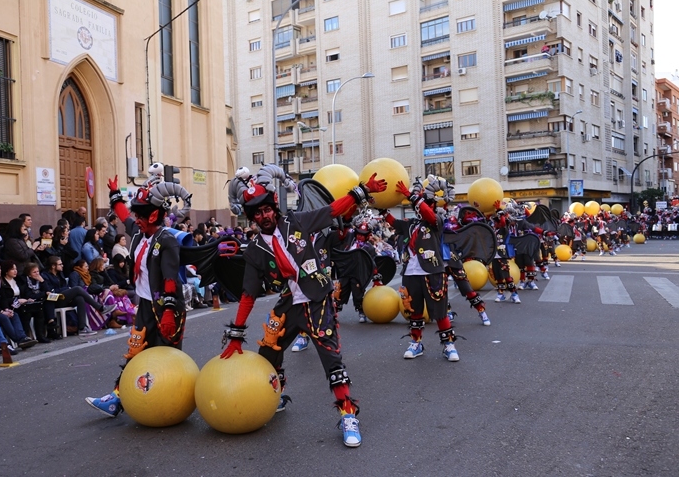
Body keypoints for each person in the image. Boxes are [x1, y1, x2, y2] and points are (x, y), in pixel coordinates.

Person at [219, 165, 387, 448]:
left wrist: (362, 191)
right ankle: (277, 394)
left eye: (267, 209)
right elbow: (248, 294)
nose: (264, 216)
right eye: (257, 213)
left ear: (274, 207)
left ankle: (348, 415)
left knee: (331, 361)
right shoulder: (254, 250)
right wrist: (236, 335)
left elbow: (332, 211)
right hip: (287, 306)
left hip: (317, 301)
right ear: (251, 217)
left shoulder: (296, 222)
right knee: (267, 354)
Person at [85, 175, 188, 418]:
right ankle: (116, 398)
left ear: (153, 216)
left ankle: (173, 401)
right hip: (144, 306)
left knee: (167, 356)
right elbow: (123, 216)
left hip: (167, 307)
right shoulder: (140, 235)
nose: (135, 221)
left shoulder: (168, 241)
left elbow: (171, 279)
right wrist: (114, 194)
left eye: (140, 216)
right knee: (136, 351)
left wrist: (170, 314)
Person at [383, 179, 461, 362]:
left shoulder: (437, 220)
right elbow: (393, 221)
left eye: (423, 203)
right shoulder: (410, 223)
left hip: (432, 271)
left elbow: (428, 214)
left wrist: (413, 196)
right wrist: (381, 207)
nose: (419, 207)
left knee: (440, 311)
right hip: (410, 273)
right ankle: (416, 343)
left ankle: (449, 345)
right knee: (415, 310)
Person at [41, 256, 114, 336]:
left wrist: (66, 290)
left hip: (63, 297)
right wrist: (66, 289)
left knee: (80, 298)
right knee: (77, 289)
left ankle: (82, 328)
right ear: (53, 266)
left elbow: (64, 286)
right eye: (60, 264)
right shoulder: (45, 275)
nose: (62, 265)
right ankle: (100, 308)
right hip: (54, 300)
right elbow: (50, 291)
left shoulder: (59, 274)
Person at [20, 263, 52, 343]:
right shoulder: (24, 281)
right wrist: (43, 294)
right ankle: (25, 337)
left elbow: (48, 291)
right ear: (29, 274)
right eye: (34, 272)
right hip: (27, 303)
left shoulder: (40, 279)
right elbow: (29, 295)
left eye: (38, 271)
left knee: (40, 311)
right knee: (30, 312)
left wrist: (42, 281)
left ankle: (40, 335)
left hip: (38, 303)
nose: (37, 274)